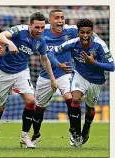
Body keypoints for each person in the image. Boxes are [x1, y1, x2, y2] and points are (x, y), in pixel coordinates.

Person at [0, 12, 57, 149]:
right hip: (4, 72)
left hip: (22, 72)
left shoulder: (41, 40)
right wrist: (9, 43)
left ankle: (25, 136)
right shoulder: (20, 30)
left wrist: (52, 79)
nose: (40, 30)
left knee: (31, 101)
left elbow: (44, 59)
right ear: (30, 24)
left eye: (42, 27)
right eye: (37, 27)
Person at [47, 18, 114, 147]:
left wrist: (93, 63)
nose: (85, 35)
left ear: (92, 32)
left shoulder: (100, 45)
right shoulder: (72, 43)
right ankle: (76, 131)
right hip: (79, 75)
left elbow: (111, 66)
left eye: (88, 32)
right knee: (75, 100)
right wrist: (58, 64)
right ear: (78, 33)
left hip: (96, 80)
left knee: (90, 108)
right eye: (82, 32)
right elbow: (51, 53)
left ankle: (86, 128)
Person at [31, 9, 78, 146]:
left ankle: (73, 132)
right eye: (56, 18)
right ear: (50, 21)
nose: (60, 20)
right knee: (39, 107)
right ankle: (36, 134)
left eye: (62, 18)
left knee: (71, 99)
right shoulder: (41, 31)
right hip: (46, 76)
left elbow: (91, 35)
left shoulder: (71, 31)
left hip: (66, 73)